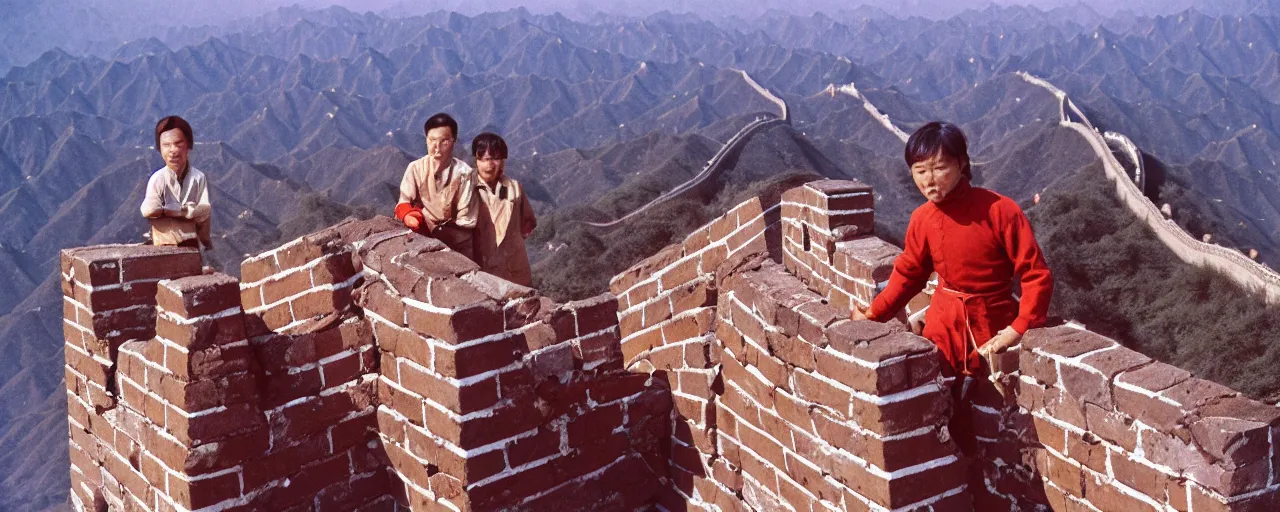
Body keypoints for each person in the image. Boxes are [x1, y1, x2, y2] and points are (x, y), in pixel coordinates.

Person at [852, 121, 1053, 376]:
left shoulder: (1001, 211)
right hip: (942, 331)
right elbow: (909, 273)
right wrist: (874, 313)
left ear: (962, 164)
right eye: (920, 170)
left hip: (993, 329)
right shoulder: (922, 218)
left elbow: (1035, 274)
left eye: (939, 168)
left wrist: (1020, 327)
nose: (929, 180)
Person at [395, 113, 480, 259]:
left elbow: (465, 219)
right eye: (432, 140)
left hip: (457, 242)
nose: (437, 147)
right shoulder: (415, 168)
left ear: (454, 141)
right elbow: (403, 202)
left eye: (444, 141)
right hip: (422, 234)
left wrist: (438, 233)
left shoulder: (465, 173)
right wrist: (410, 216)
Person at [470, 133, 537, 286]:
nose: (490, 165)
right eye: (485, 159)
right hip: (481, 268)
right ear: (476, 160)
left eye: (496, 159)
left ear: (503, 162)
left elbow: (528, 223)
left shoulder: (514, 188)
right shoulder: (466, 188)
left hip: (513, 267)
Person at [140, 115, 213, 250]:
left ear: (188, 145)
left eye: (178, 144)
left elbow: (204, 210)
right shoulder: (158, 179)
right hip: (164, 244)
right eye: (166, 145)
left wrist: (205, 239)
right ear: (160, 149)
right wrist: (182, 211)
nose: (173, 150)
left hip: (192, 243)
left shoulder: (198, 178)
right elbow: (149, 209)